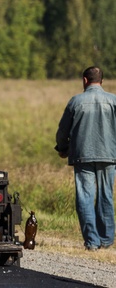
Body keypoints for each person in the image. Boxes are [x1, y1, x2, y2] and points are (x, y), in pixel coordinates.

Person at [55, 66, 116, 251]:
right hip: (109, 155)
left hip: (82, 155)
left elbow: (62, 130)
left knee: (85, 197)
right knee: (106, 196)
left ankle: (92, 241)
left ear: (84, 80)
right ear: (102, 81)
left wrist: (63, 148)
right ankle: (106, 239)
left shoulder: (76, 101)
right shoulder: (113, 100)